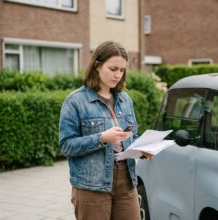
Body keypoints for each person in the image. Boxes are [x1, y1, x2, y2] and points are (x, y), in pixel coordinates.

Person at [59, 41, 150, 220]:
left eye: (122, 70)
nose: (118, 75)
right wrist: (102, 138)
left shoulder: (125, 100)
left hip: (126, 181)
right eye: (113, 68)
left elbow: (132, 136)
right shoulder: (75, 101)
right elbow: (66, 145)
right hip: (91, 186)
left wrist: (142, 150)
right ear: (97, 66)